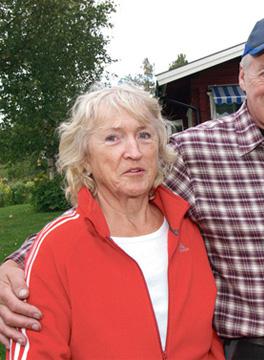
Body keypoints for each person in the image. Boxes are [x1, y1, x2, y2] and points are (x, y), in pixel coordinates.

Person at [0, 15, 264, 359]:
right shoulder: (194, 151)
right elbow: (113, 195)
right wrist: (18, 265)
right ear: (243, 78)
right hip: (256, 350)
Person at [3, 85, 224, 359]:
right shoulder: (57, 246)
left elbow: (208, 340)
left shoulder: (188, 232)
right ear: (85, 159)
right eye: (112, 138)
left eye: (144, 135)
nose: (134, 151)